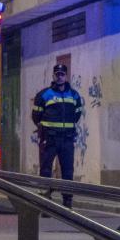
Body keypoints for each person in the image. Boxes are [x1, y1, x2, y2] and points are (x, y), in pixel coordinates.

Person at [31, 63, 83, 206]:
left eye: (62, 74)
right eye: (57, 74)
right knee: (46, 169)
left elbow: (77, 114)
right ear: (53, 76)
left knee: (67, 171)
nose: (59, 77)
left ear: (66, 76)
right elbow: (36, 116)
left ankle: (67, 201)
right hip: (50, 139)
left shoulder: (74, 95)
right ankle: (46, 201)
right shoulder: (44, 95)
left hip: (67, 139)